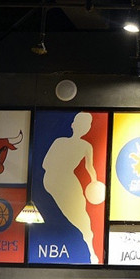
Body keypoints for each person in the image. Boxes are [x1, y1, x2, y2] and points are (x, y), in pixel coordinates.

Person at [42, 112, 100, 264]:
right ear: (73, 125)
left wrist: (95, 182)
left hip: (55, 179)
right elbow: (89, 168)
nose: (84, 127)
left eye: (86, 125)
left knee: (80, 215)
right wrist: (94, 181)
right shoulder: (73, 144)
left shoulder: (67, 143)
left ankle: (90, 247)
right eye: (83, 124)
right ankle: (90, 248)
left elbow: (45, 164)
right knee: (79, 216)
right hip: (59, 180)